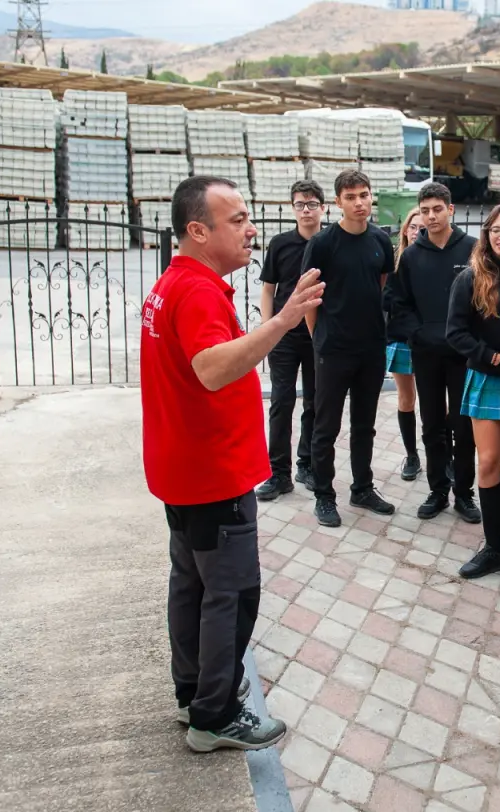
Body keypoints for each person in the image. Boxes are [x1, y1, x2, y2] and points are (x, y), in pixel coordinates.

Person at [141, 175, 324, 751]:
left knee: (192, 587)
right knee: (232, 592)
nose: (251, 230)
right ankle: (215, 716)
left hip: (186, 469)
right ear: (198, 231)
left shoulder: (179, 284)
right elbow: (213, 368)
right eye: (237, 220)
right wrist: (283, 320)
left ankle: (193, 693)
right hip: (211, 474)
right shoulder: (195, 292)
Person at [302, 169, 397, 526]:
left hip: (371, 347)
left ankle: (362, 488)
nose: (360, 203)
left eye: (364, 195)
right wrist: (320, 340)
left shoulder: (380, 240)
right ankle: (324, 495)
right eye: (351, 197)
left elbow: (380, 283)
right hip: (333, 348)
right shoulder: (323, 244)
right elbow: (309, 297)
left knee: (365, 424)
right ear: (338, 202)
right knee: (326, 426)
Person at [447, 204, 500, 577]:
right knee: (489, 460)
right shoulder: (470, 277)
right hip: (488, 377)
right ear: (487, 235)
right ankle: (492, 547)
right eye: (496, 230)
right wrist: (492, 358)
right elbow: (455, 332)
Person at [387, 183, 480, 523]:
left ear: (450, 209)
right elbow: (401, 303)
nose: (431, 216)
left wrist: (469, 339)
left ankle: (465, 493)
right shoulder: (411, 255)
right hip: (426, 354)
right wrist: (418, 333)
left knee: (464, 425)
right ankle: (438, 489)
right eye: (425, 210)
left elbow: (482, 299)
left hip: (463, 355)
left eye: (437, 209)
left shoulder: (472, 249)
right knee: (432, 425)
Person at [255, 179, 325, 501]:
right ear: (292, 208)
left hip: (318, 336)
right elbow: (268, 289)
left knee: (314, 400)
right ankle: (278, 472)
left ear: (323, 207)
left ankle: (306, 464)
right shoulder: (281, 244)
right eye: (300, 204)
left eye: (312, 203)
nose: (306, 210)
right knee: (282, 402)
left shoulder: (330, 243)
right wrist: (268, 329)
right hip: (284, 335)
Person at [384, 207, 424, 481]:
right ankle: (411, 454)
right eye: (413, 227)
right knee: (406, 398)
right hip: (400, 339)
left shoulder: (434, 260)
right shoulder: (395, 262)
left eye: (423, 228)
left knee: (437, 402)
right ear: (405, 230)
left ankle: (443, 455)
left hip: (429, 342)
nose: (418, 232)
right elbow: (385, 299)